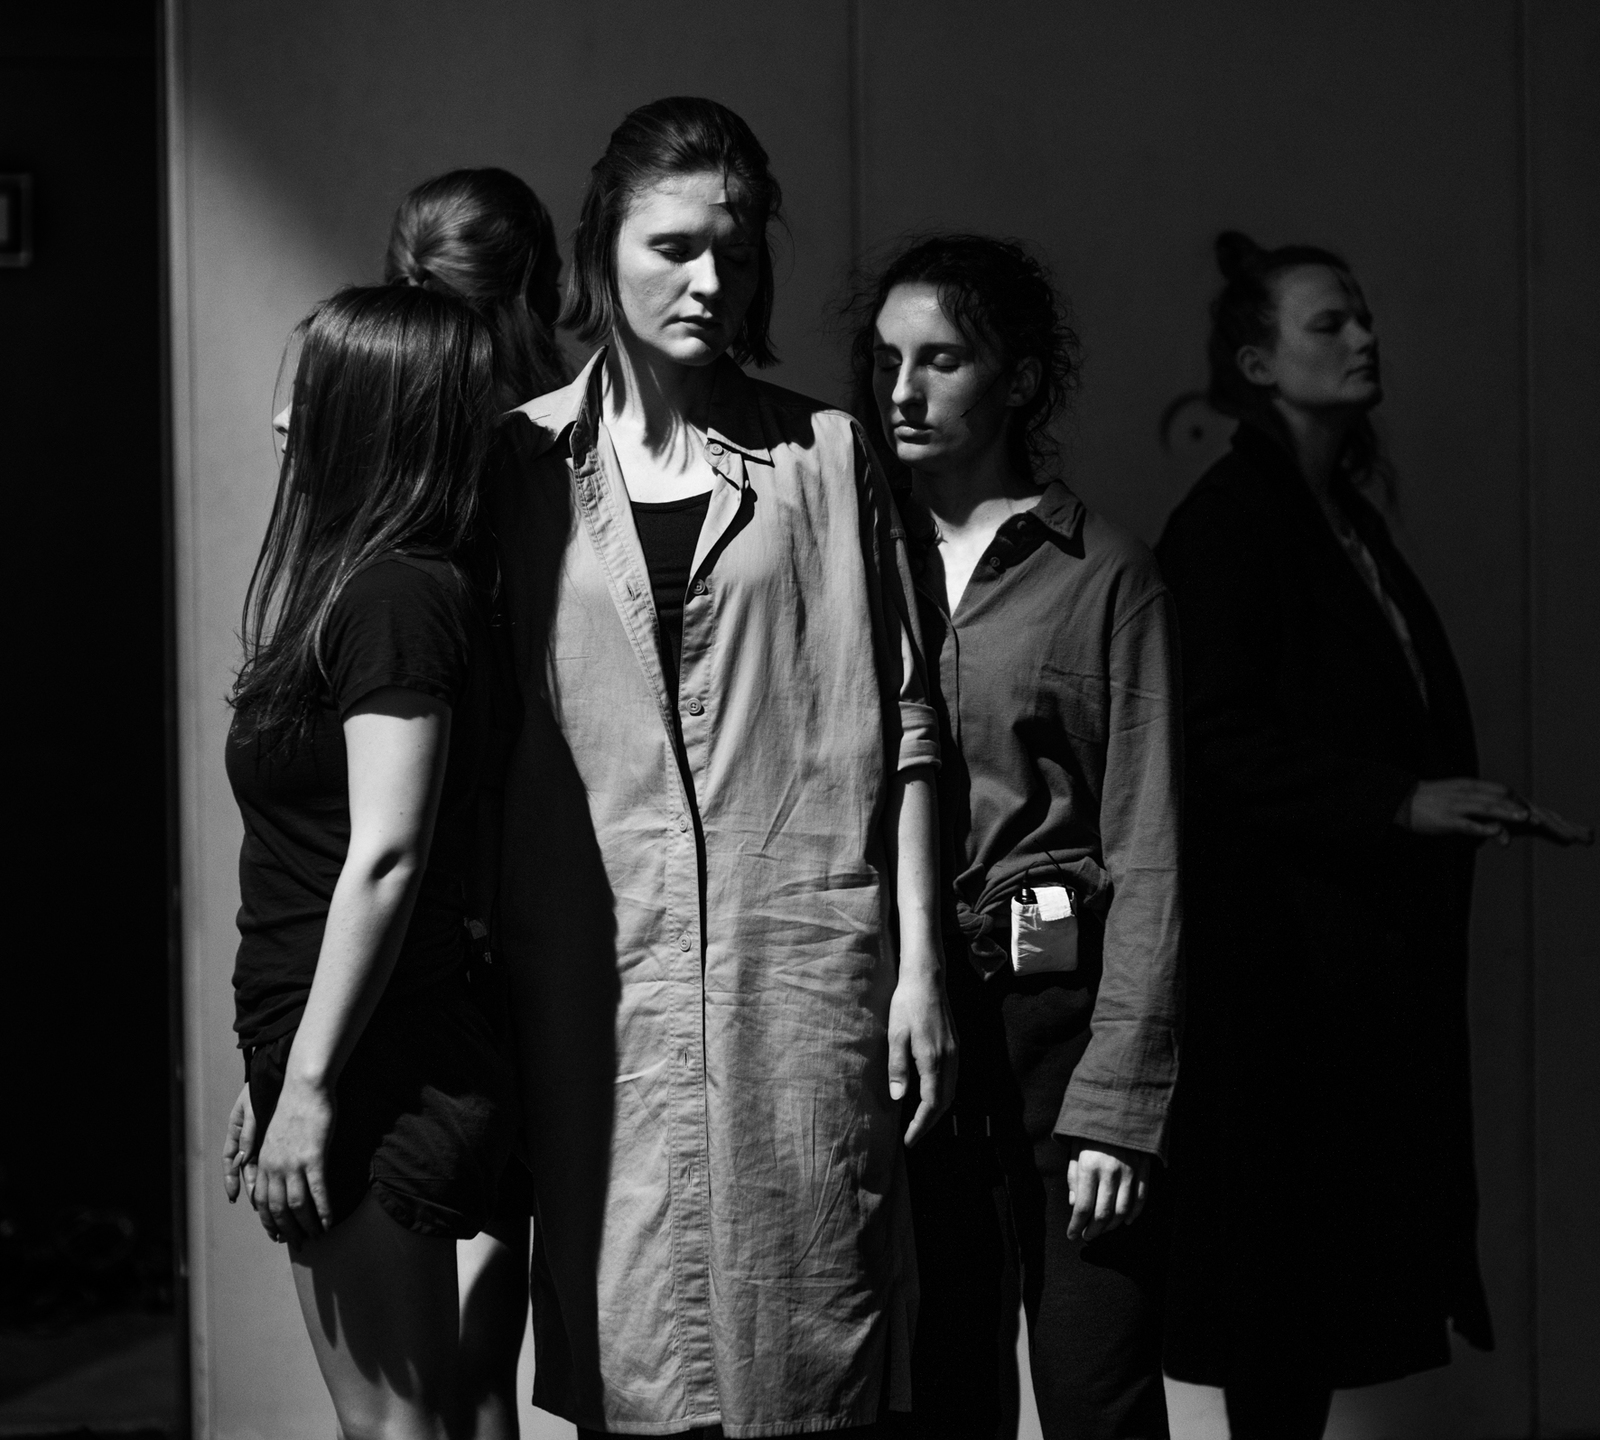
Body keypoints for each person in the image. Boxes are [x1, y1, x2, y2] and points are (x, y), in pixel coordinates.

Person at [487, 96, 956, 1437]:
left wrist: (921, 966)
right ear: (602, 249)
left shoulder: (827, 456)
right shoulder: (517, 464)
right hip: (596, 976)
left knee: (810, 1338)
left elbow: (909, 722)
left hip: (792, 967)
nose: (709, 281)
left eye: (735, 253)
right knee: (628, 1345)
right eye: (674, 246)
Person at [1156, 232, 1591, 1439]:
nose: (1364, 338)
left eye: (1361, 318)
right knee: (1281, 1302)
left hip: (1344, 974)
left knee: (1312, 1296)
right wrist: (1399, 803)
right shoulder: (1232, 523)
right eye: (1329, 323)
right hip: (1277, 984)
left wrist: (1447, 799)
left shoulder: (1337, 518)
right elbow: (1210, 739)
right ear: (1258, 363)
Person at [228, 165, 570, 1440]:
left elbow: (387, 854)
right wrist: (277, 1065)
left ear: (369, 420)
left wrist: (310, 1084)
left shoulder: (396, 596)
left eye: (308, 393)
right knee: (427, 1415)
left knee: (394, 1423)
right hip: (341, 1039)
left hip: (382, 1057)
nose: (279, 420)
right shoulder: (371, 585)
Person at [850, 235, 1182, 1439]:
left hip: (1057, 1016)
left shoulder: (1103, 576)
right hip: (900, 1027)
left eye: (940, 360)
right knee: (940, 1388)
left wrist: (1118, 1105)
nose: (902, 390)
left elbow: (1150, 850)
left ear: (1021, 380)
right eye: (887, 359)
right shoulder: (852, 560)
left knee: (1096, 1392)